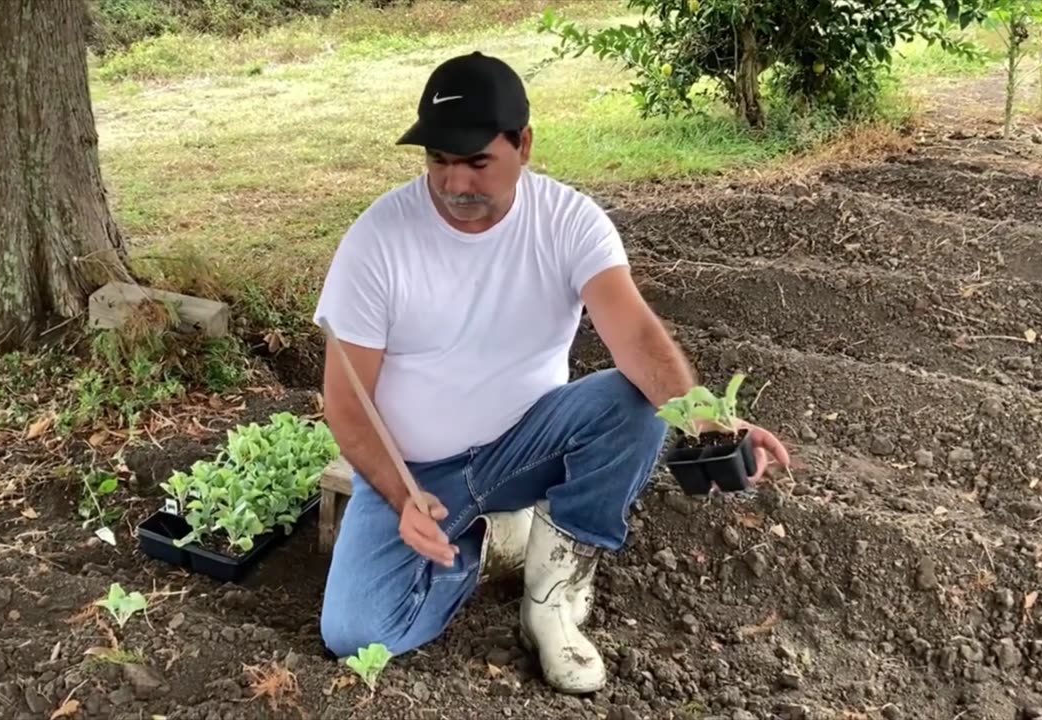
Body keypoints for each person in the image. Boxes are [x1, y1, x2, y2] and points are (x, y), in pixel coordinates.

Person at [311, 51, 790, 694]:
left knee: (629, 404)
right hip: (415, 473)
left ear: (524, 145)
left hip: (525, 447)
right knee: (357, 634)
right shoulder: (377, 242)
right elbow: (346, 403)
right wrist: (401, 497)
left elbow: (638, 339)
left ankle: (551, 600)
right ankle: (477, 548)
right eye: (438, 161)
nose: (455, 184)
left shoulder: (568, 222)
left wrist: (712, 421)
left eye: (476, 161)